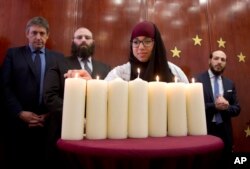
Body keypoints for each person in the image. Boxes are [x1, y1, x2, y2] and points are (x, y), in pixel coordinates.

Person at [0, 16, 64, 169]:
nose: (38, 37)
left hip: (47, 125)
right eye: (34, 33)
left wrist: (49, 114)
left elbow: (62, 89)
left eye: (42, 33)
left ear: (47, 36)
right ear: (27, 34)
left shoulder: (58, 58)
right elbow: (4, 86)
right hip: (18, 125)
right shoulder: (13, 54)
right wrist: (20, 112)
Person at [43, 27, 111, 168]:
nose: (83, 40)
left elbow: (111, 98)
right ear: (73, 42)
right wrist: (77, 117)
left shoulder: (106, 68)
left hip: (98, 132)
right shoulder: (59, 64)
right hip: (63, 131)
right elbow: (50, 97)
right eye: (79, 37)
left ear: (93, 42)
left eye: (87, 37)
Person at [66, 21, 188, 83]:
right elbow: (103, 94)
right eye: (135, 42)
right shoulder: (120, 73)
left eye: (147, 41)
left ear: (156, 44)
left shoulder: (174, 72)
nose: (140, 47)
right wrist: (91, 83)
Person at [195, 50, 241, 169]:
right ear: (210, 60)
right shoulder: (198, 80)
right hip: (205, 130)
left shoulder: (230, 84)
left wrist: (227, 107)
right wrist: (214, 106)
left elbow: (237, 109)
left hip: (225, 132)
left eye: (223, 60)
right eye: (216, 58)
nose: (219, 62)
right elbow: (194, 108)